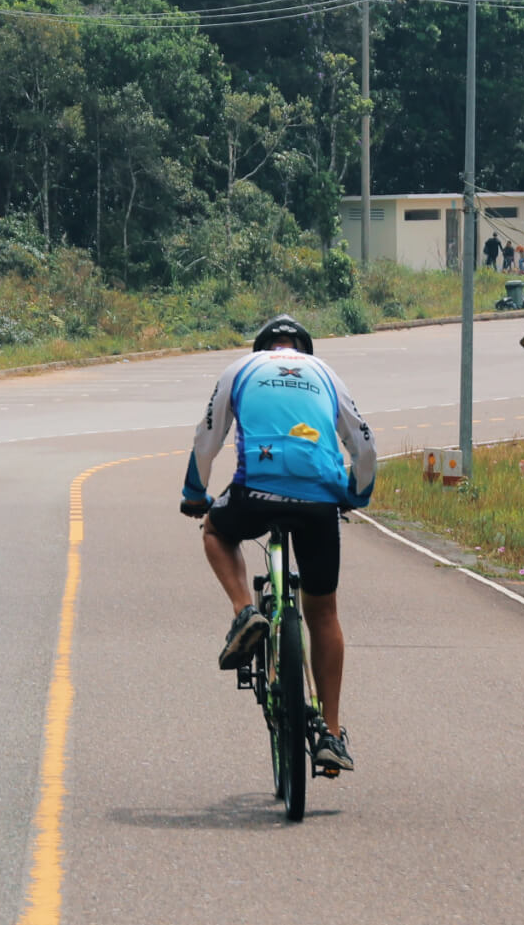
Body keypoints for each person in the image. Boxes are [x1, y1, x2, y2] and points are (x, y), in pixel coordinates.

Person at [180, 315, 377, 773]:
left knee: (214, 529)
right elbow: (365, 446)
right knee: (323, 613)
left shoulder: (240, 370)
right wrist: (355, 495)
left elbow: (205, 437)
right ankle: (330, 732)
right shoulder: (326, 373)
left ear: (262, 348)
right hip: (319, 500)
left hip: (257, 490)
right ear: (301, 350)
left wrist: (195, 494)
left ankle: (244, 611)